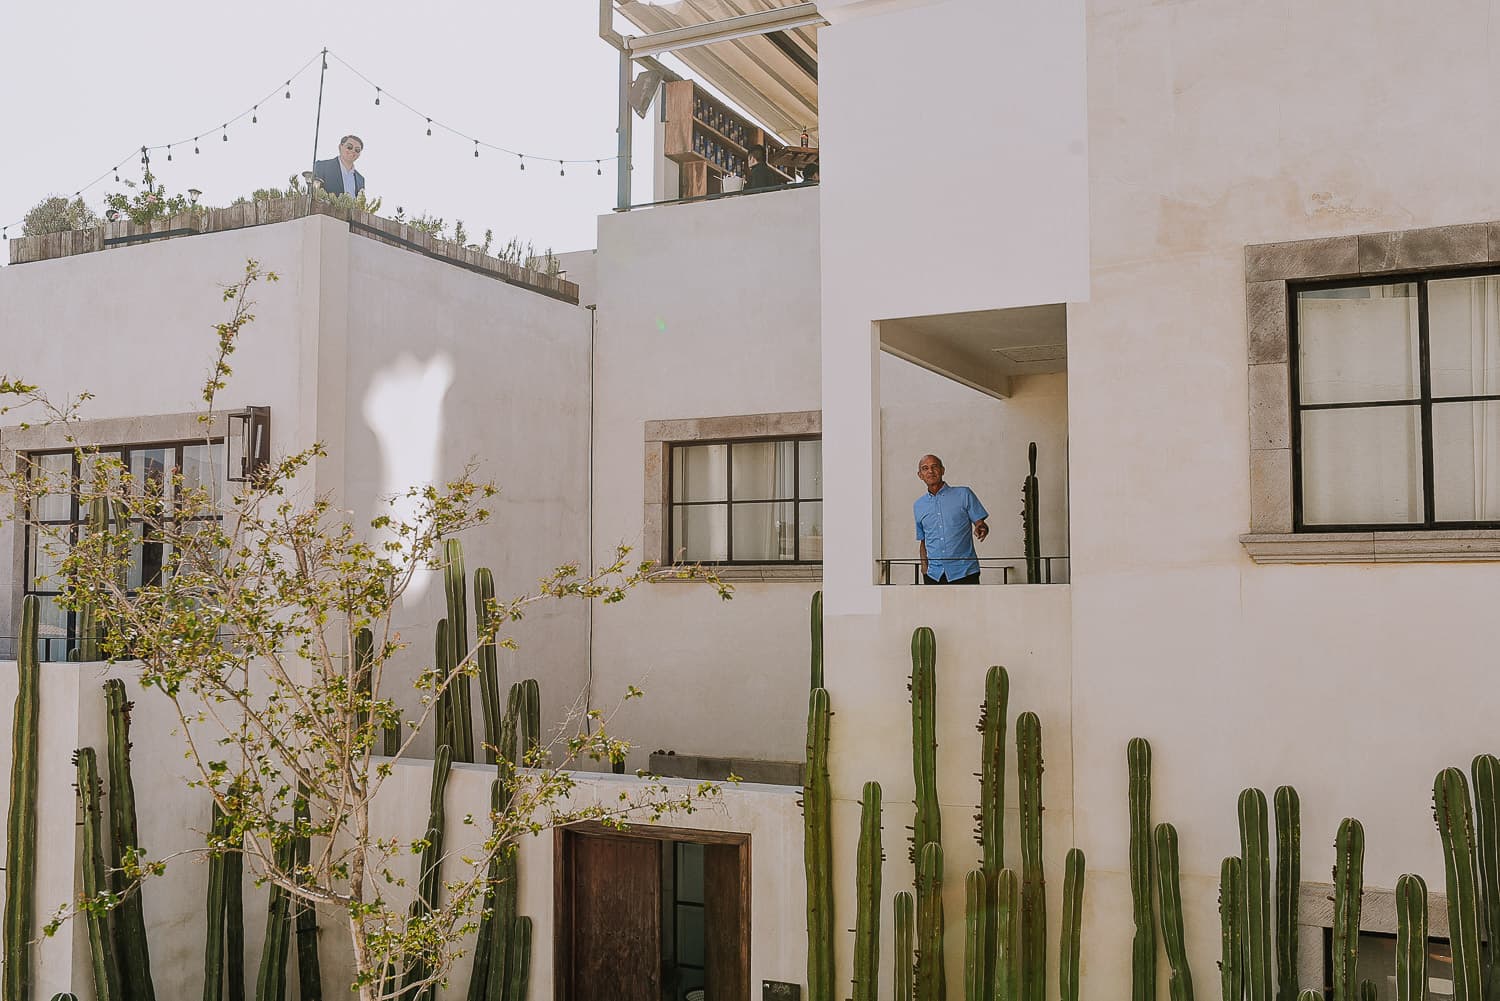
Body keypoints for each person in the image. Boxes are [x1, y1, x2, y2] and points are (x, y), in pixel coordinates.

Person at [913, 454, 989, 585]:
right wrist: (924, 569)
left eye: (934, 467)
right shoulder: (918, 505)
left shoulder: (964, 494)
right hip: (934, 575)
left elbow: (980, 523)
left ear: (942, 470)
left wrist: (981, 526)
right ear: (920, 475)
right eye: (925, 468)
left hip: (965, 572)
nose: (930, 471)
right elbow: (924, 540)